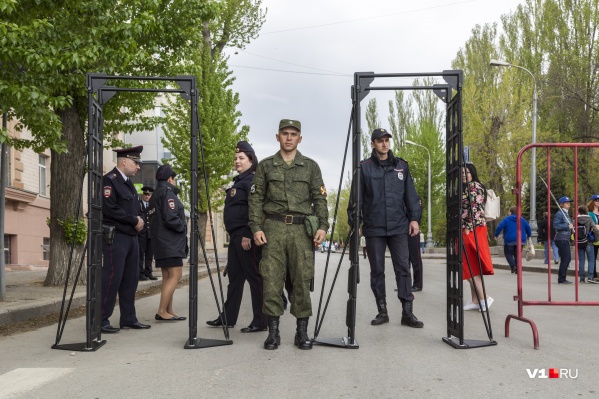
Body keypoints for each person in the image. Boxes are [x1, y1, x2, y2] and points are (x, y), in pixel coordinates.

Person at [249, 118, 328, 350]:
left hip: (301, 231)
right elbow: (255, 199)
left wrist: (323, 226)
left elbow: (320, 199)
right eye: (285, 133)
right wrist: (256, 227)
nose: (289, 137)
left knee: (302, 280)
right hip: (272, 228)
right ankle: (273, 333)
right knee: (271, 280)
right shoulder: (265, 166)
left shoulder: (311, 167)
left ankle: (301, 333)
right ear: (278, 137)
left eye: (294, 134)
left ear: (300, 138)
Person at [348, 128, 423, 328]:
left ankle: (407, 312)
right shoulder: (364, 168)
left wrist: (414, 219)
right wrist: (355, 223)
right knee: (377, 270)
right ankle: (382, 311)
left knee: (403, 269)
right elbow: (356, 200)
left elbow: (411, 196)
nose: (384, 144)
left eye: (386, 140)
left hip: (399, 226)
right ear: (372, 143)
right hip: (374, 228)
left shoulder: (401, 166)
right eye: (380, 141)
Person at [206, 141, 266, 332]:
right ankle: (228, 318)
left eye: (241, 158)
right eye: (235, 158)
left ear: (251, 159)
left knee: (255, 279)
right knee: (235, 279)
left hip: (245, 236)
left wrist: (249, 233)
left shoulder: (253, 181)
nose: (237, 161)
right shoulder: (238, 181)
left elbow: (257, 209)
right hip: (235, 237)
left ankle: (261, 320)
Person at [101, 146, 151, 333]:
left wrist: (141, 220)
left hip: (132, 237)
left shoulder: (128, 183)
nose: (138, 167)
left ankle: (128, 318)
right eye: (135, 162)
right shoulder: (109, 181)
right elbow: (109, 208)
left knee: (131, 279)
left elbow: (136, 209)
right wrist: (134, 220)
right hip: (116, 237)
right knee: (112, 278)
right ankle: (102, 319)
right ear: (124, 161)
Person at [149, 164, 187, 321]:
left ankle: (168, 310)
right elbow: (171, 217)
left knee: (167, 276)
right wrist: (183, 226)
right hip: (170, 241)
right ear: (170, 178)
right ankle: (162, 310)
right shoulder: (168, 193)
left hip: (160, 241)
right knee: (176, 274)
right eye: (174, 179)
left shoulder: (155, 194)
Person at [461, 163, 495, 311]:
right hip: (471, 229)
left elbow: (475, 210)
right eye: (461, 172)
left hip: (472, 229)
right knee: (470, 266)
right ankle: (476, 300)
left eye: (466, 172)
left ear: (472, 173)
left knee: (470, 266)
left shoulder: (474, 186)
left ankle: (485, 298)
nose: (463, 174)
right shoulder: (468, 187)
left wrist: (468, 228)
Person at [493, 206, 532, 274]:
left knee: (508, 254)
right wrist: (529, 235)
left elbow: (499, 227)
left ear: (510, 212)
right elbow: (528, 228)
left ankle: (513, 265)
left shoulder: (506, 219)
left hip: (509, 240)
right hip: (520, 240)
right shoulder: (522, 219)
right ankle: (517, 269)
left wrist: (496, 235)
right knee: (517, 255)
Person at [576, 205, 599, 283]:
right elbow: (595, 230)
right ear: (586, 211)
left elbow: (573, 230)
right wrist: (596, 239)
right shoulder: (589, 219)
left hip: (579, 242)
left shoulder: (576, 219)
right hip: (588, 242)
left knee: (581, 260)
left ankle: (582, 278)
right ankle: (590, 277)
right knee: (591, 260)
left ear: (579, 211)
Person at [554, 196, 574, 284]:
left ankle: (562, 277)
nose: (569, 204)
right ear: (562, 204)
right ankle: (561, 278)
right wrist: (567, 226)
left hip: (565, 238)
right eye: (567, 203)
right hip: (561, 238)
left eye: (569, 203)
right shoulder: (560, 213)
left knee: (567, 258)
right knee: (566, 258)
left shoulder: (566, 214)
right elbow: (556, 225)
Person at [138, 186, 157, 281]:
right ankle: (140, 274)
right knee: (141, 254)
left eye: (149, 195)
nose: (147, 196)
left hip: (151, 234)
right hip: (141, 234)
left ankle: (148, 272)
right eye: (145, 194)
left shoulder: (153, 206)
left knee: (150, 255)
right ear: (142, 195)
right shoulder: (138, 205)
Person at [586, 195, 599, 280]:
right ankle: (593, 274)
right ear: (592, 202)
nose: (598, 202)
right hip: (594, 237)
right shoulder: (589, 214)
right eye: (597, 200)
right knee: (593, 256)